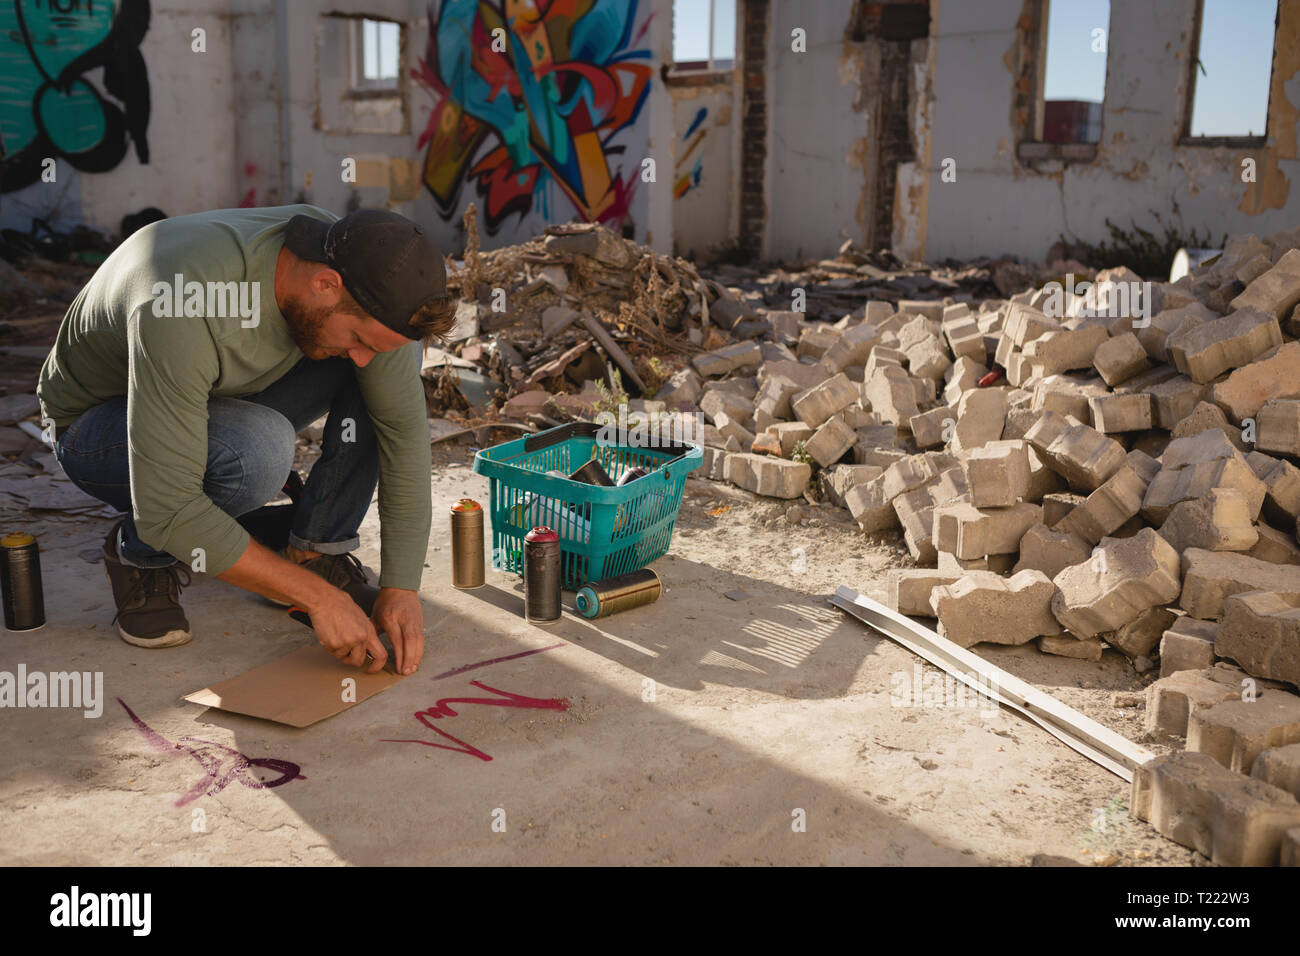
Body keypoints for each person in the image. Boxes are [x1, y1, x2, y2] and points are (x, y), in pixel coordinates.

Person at [37, 204, 455, 675]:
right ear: (324, 284)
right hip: (97, 425)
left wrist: (402, 588)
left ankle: (315, 550)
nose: (360, 357)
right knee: (256, 453)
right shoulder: (182, 297)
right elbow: (169, 509)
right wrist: (317, 600)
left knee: (378, 381)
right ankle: (139, 552)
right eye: (358, 336)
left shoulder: (354, 269)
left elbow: (401, 431)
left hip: (210, 389)